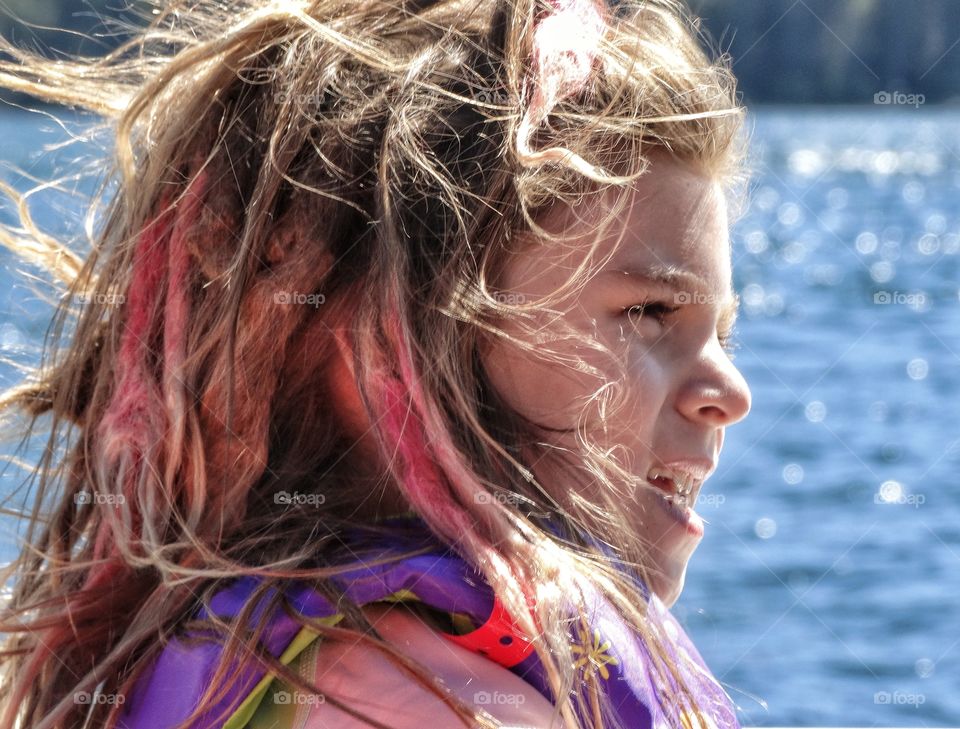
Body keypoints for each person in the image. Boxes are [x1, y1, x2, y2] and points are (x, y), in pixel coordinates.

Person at [0, 0, 752, 727]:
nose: (732, 391)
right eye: (649, 313)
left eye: (722, 332)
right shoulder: (412, 705)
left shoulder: (247, 648)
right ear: (385, 342)